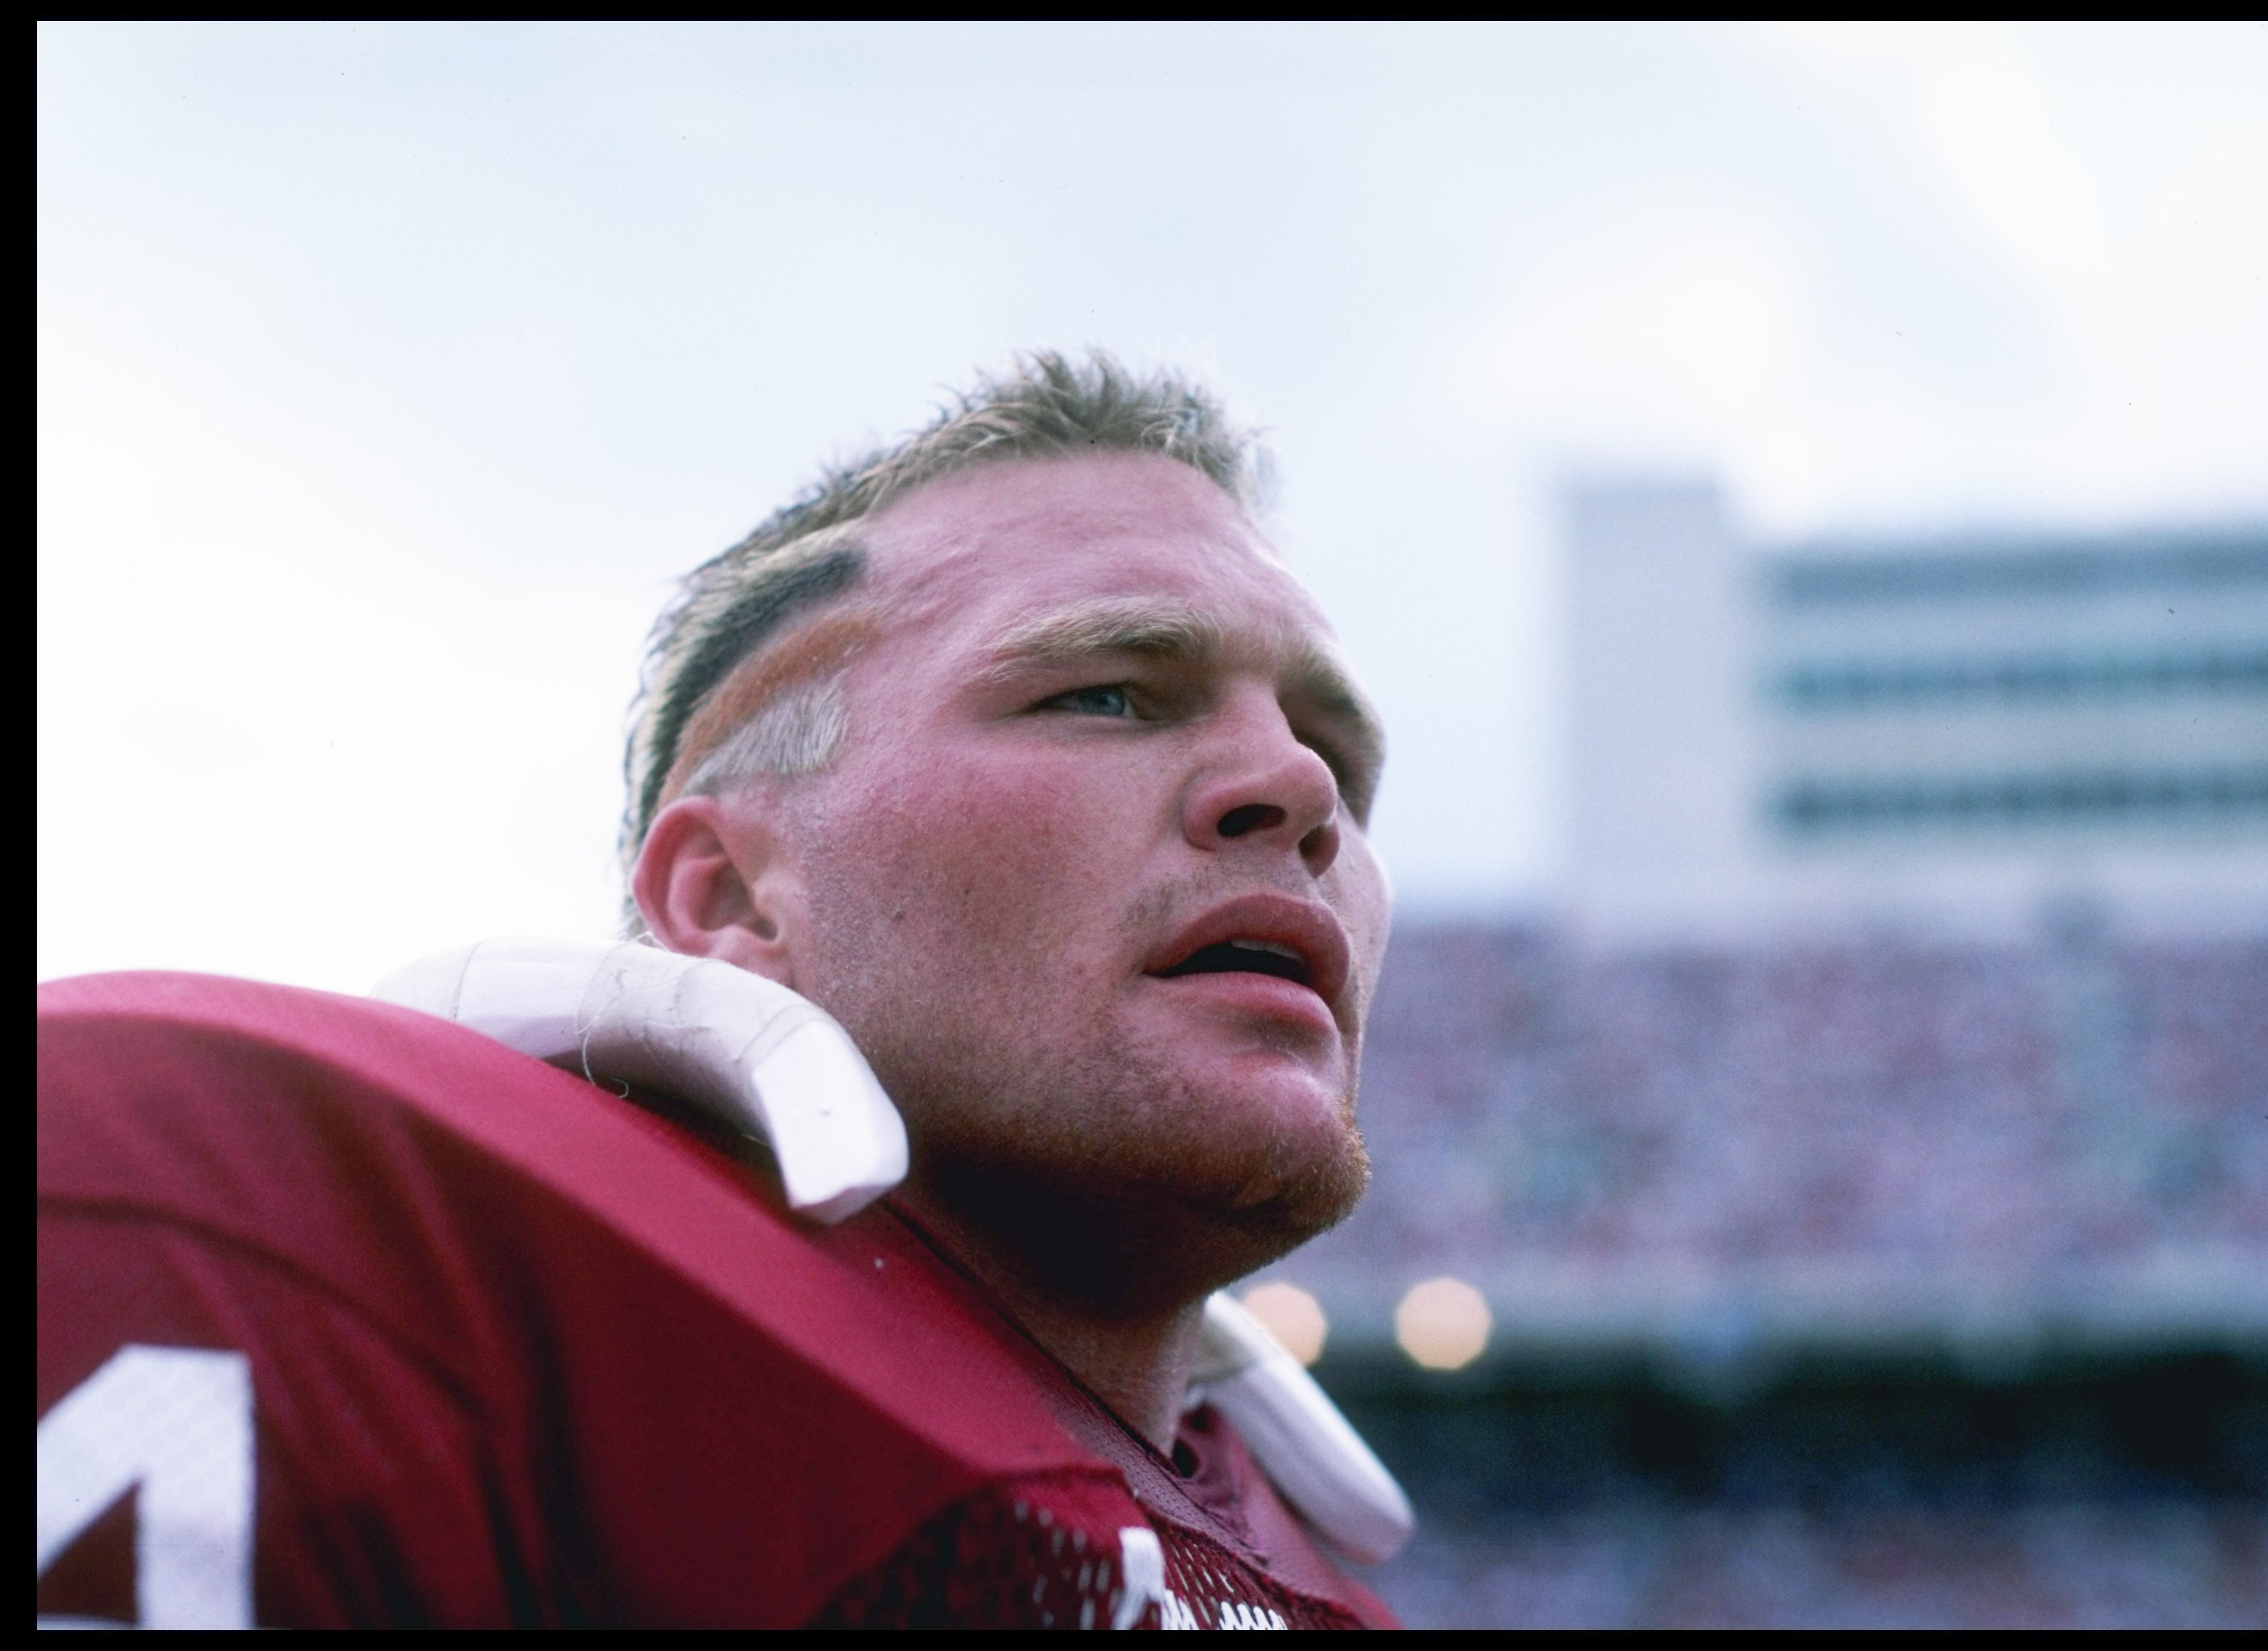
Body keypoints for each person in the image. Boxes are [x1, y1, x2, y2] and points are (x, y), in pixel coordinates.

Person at [36, 351, 1404, 1628]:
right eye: (1107, 695)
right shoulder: (300, 1248)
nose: (1299, 791)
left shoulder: (1311, 1558)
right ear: (733, 900)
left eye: (1335, 747)